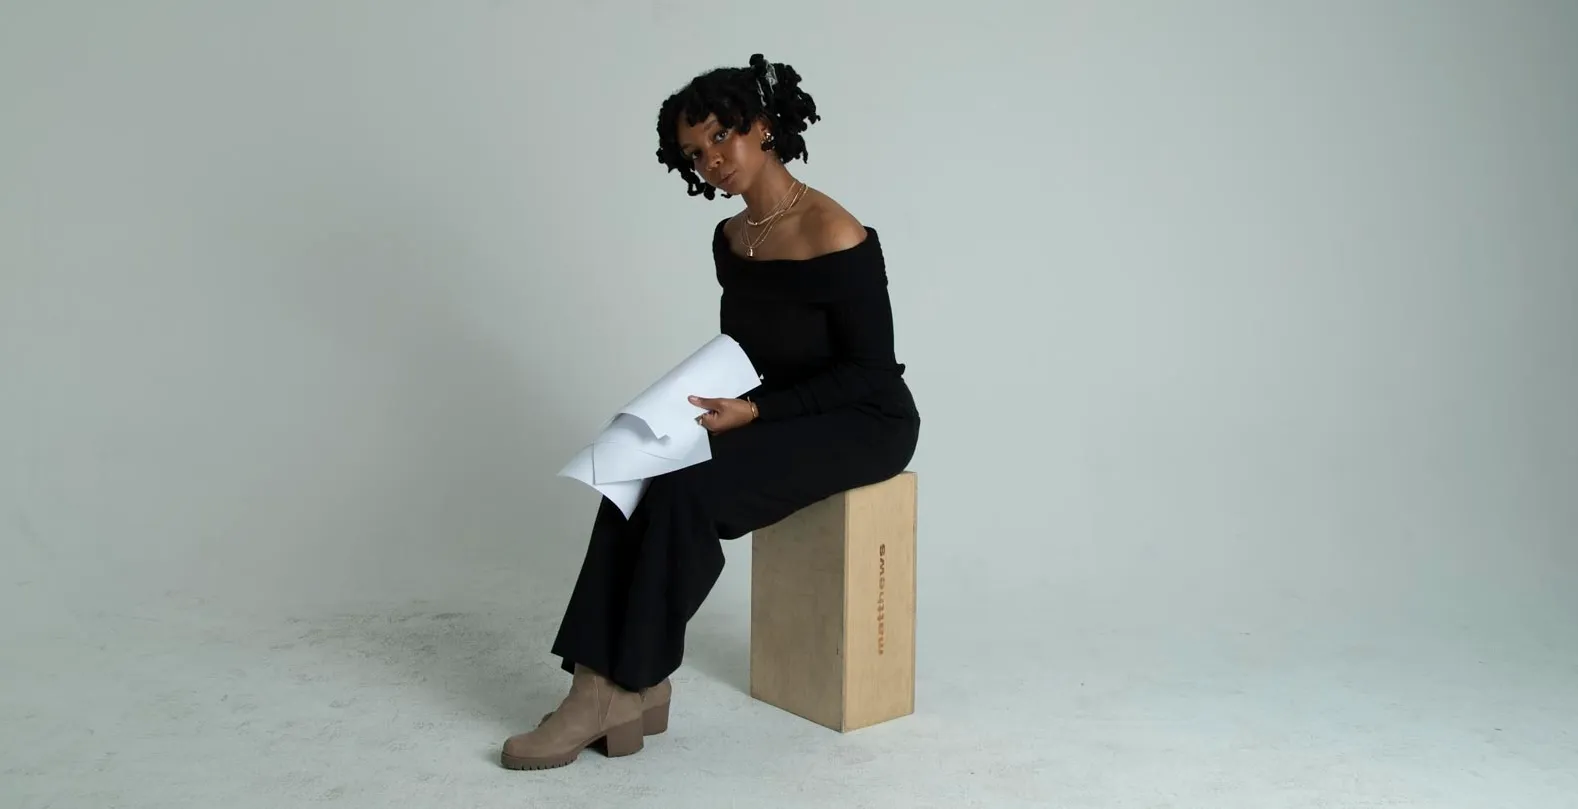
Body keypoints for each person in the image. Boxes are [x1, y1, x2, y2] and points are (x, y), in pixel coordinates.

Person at [500, 53, 921, 770]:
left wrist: (758, 413)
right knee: (637, 470)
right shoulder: (733, 239)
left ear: (761, 127)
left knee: (688, 492)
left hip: (863, 420)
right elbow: (749, 348)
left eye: (722, 138)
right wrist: (669, 410)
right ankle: (609, 682)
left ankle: (620, 685)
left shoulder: (834, 232)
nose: (712, 161)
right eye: (695, 154)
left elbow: (868, 372)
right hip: (772, 409)